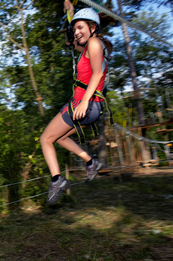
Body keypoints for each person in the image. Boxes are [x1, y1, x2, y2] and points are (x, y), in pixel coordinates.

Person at [41, 0, 113, 205]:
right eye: (75, 29)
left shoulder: (94, 43)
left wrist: (83, 103)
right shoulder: (87, 47)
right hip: (90, 107)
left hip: (85, 105)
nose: (76, 32)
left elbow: (97, 73)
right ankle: (91, 162)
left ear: (93, 28)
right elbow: (72, 39)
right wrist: (71, 15)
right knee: (61, 138)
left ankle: (57, 180)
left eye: (81, 27)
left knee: (45, 139)